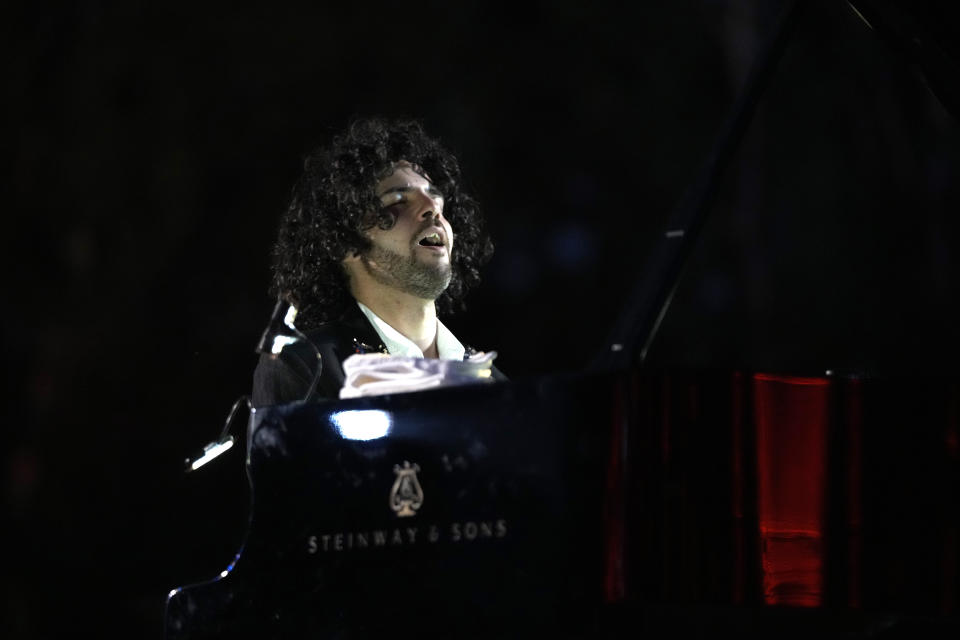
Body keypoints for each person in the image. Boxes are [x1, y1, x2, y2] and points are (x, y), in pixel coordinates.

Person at [252, 117, 503, 405]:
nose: (432, 207)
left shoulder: (492, 384)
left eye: (436, 198)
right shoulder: (305, 368)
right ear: (345, 240)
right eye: (398, 200)